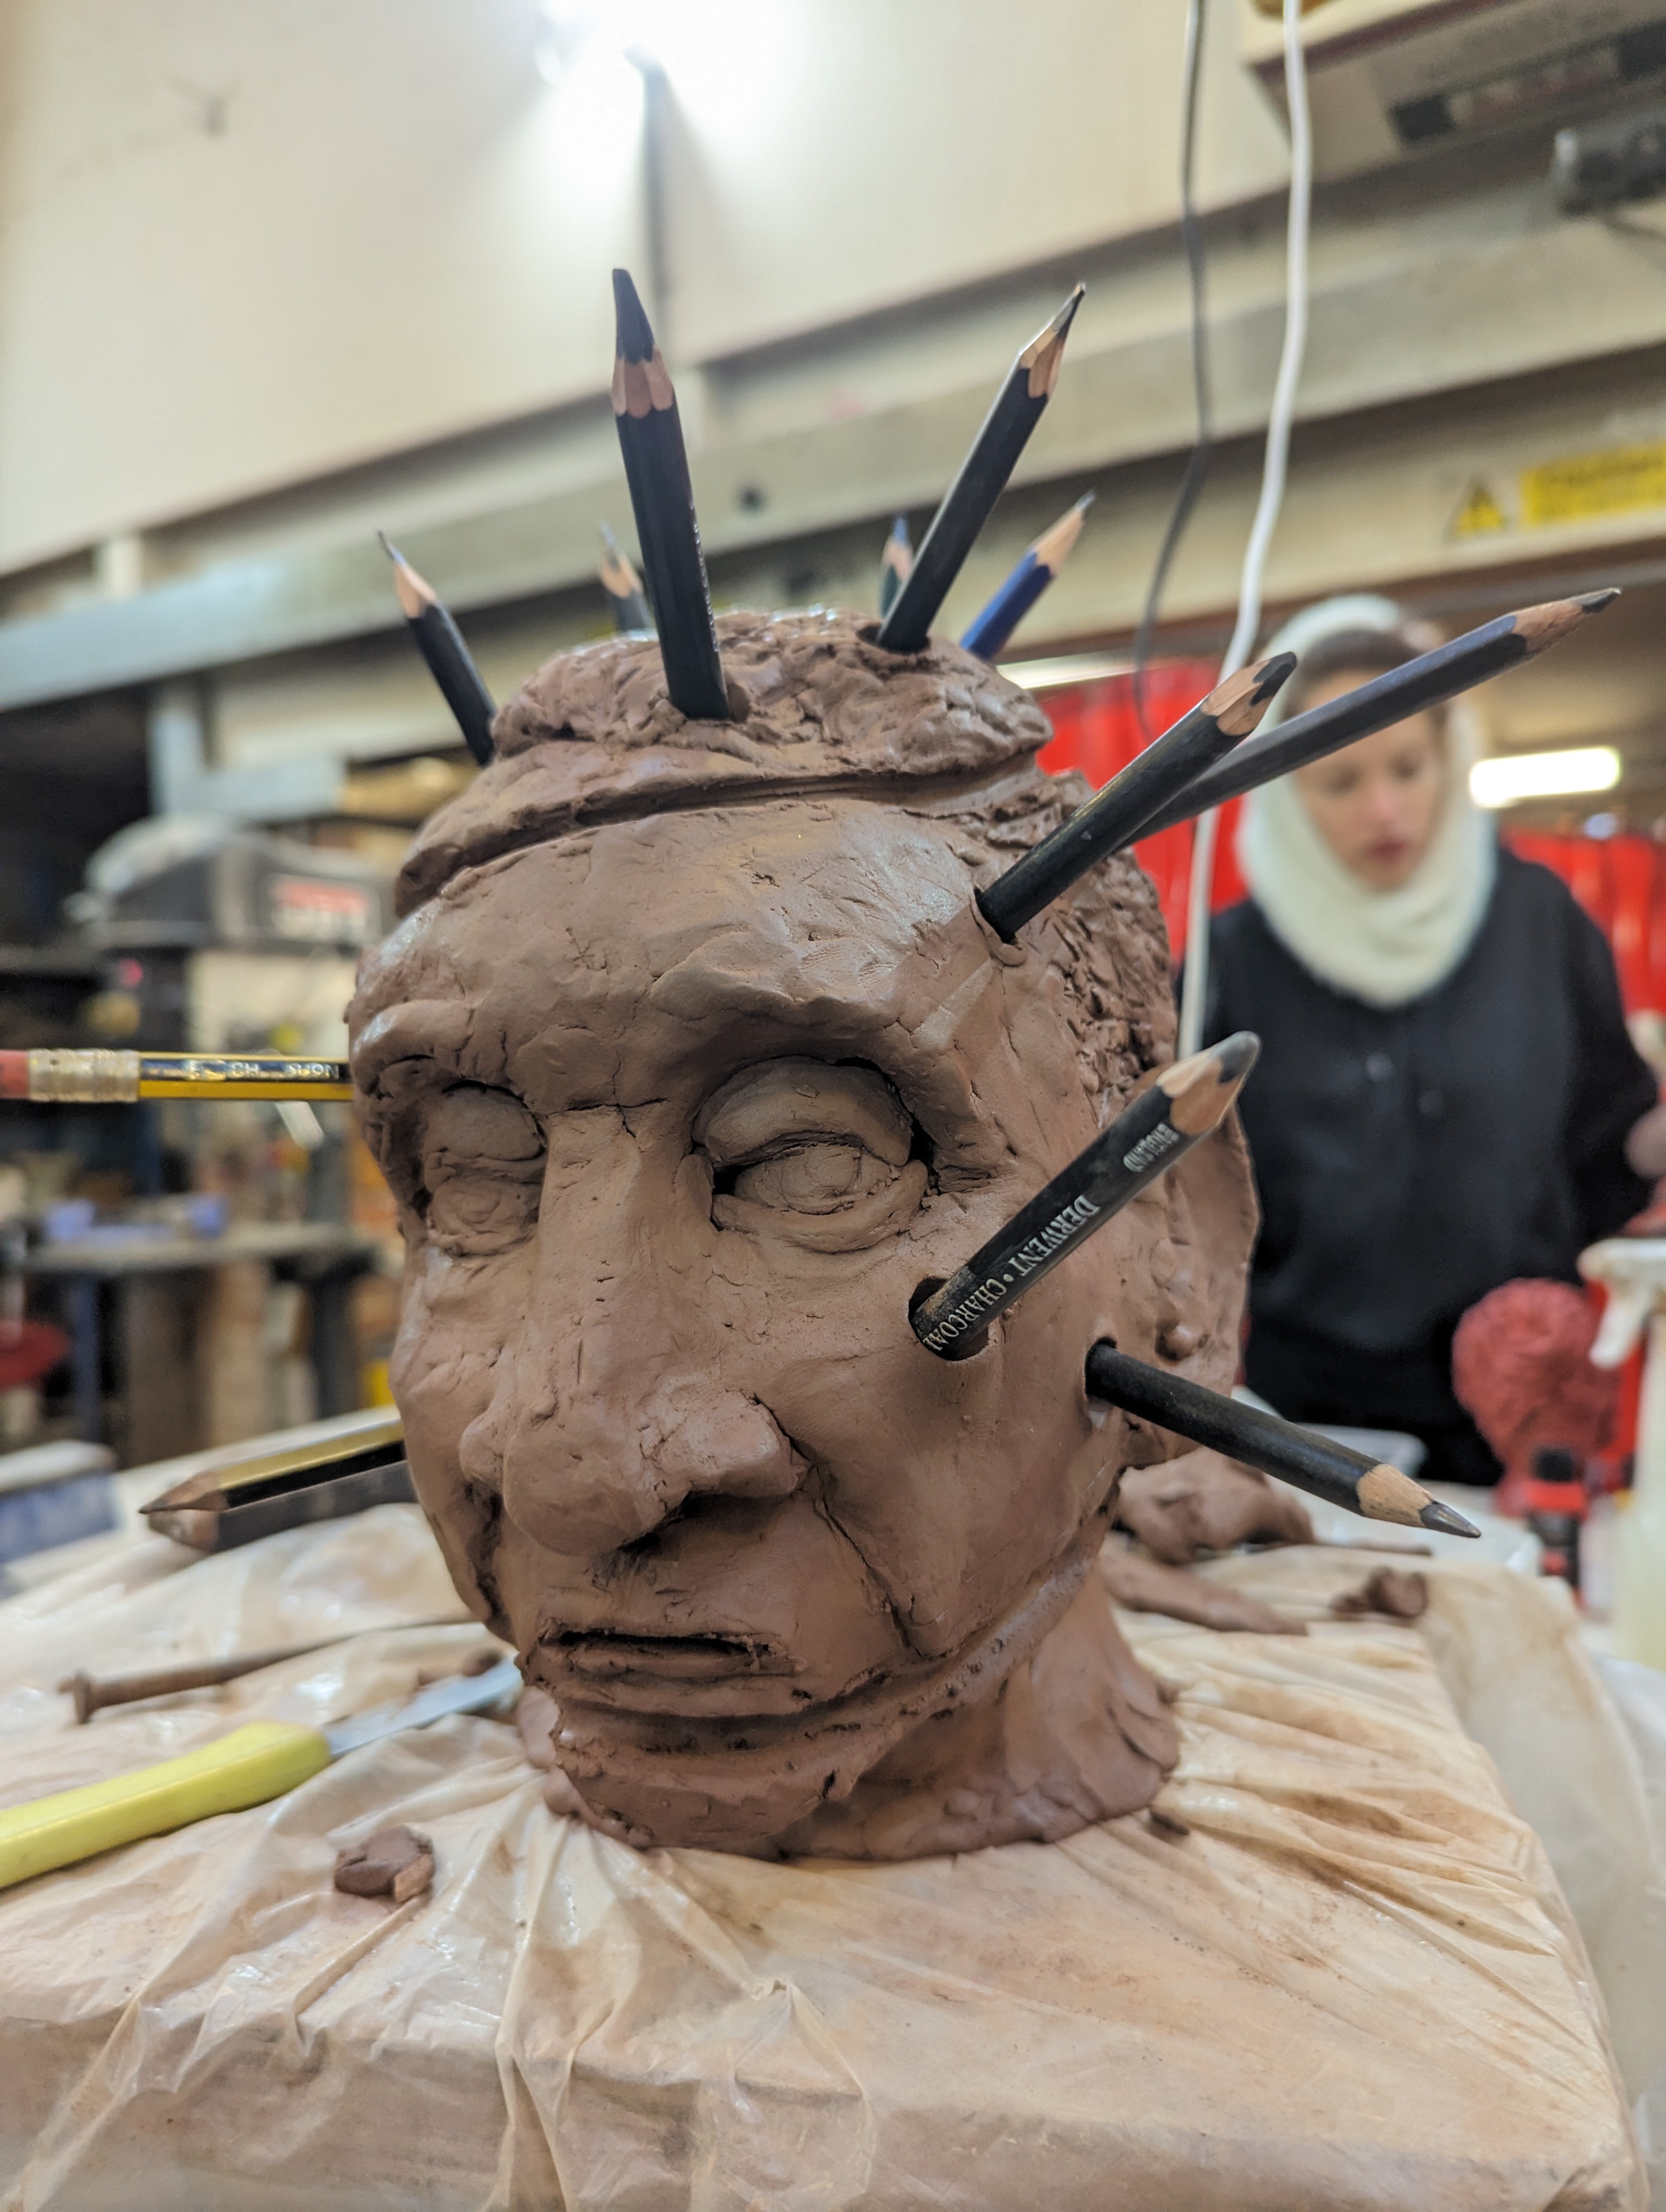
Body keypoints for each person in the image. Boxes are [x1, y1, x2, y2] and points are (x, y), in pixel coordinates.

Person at [1200, 594, 1665, 1487]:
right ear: (1287, 789)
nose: (1384, 809)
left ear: (1448, 758)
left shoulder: (1541, 922)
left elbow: (1608, 1143)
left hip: (1517, 1413)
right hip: (1304, 1424)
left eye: (1408, 768)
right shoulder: (1230, 962)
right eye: (1340, 781)